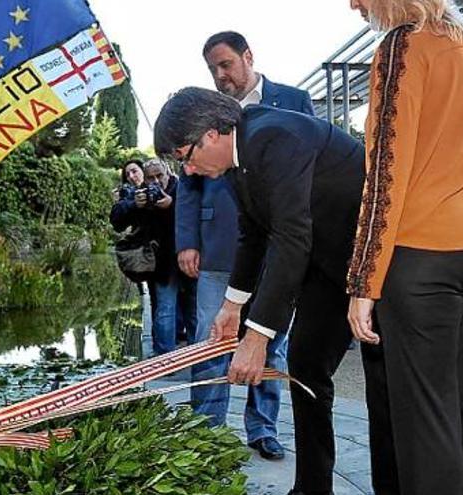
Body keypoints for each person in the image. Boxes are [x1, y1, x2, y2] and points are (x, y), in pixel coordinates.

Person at [155, 87, 394, 495]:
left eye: (185, 157)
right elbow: (253, 236)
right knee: (305, 368)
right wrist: (233, 306)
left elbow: (290, 239)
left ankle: (393, 486)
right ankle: (312, 487)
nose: (189, 172)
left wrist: (256, 337)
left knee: (385, 382)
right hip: (327, 268)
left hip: (376, 270)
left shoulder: (275, 136)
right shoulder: (237, 158)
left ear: (212, 134)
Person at [346, 1, 463, 494]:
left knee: (426, 420)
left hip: (426, 254)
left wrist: (363, 281)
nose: (353, 3)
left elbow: (383, 173)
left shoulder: (403, 45)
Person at [176, 31, 314, 460]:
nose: (220, 76)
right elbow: (187, 183)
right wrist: (187, 241)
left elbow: (310, 174)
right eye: (213, 69)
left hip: (277, 247)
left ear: (247, 57)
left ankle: (263, 429)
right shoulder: (201, 113)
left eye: (226, 65)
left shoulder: (293, 100)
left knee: (271, 339)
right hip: (218, 247)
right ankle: (205, 429)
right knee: (211, 338)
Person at [111, 158, 189, 356]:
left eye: (159, 176)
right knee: (164, 307)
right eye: (150, 178)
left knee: (194, 309)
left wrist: (172, 204)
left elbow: (196, 214)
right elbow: (117, 220)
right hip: (161, 262)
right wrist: (133, 205)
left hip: (190, 257)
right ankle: (164, 359)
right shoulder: (139, 195)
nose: (155, 182)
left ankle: (195, 356)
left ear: (168, 172)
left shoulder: (182, 188)